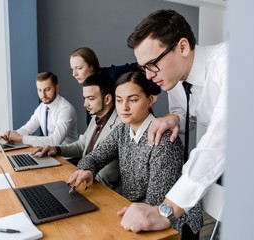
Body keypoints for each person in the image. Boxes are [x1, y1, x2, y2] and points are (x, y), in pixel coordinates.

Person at [117, 9, 228, 238]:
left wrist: (165, 210)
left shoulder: (229, 63)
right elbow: (187, 115)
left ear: (183, 47)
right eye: (143, 68)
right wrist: (174, 118)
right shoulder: (175, 79)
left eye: (152, 64)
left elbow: (222, 139)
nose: (148, 76)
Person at [68, 71, 202, 238]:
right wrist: (88, 169)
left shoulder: (164, 140)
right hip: (137, 211)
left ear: (150, 100)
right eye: (119, 100)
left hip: (173, 226)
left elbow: (155, 204)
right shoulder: (123, 129)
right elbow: (95, 157)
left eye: (133, 100)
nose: (124, 107)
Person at [33, 73, 122, 192]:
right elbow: (82, 145)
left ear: (107, 99)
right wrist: (57, 149)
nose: (85, 104)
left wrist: (77, 182)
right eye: (85, 98)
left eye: (91, 99)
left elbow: (107, 175)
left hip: (102, 188)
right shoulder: (96, 116)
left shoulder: (120, 125)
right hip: (84, 178)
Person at [70, 47, 161, 124]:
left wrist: (154, 91)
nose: (74, 74)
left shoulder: (112, 73)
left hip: (137, 121)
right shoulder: (88, 87)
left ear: (91, 66)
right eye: (72, 69)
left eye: (79, 68)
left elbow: (140, 65)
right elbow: (91, 122)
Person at [1, 71, 78, 146]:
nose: (43, 95)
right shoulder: (42, 107)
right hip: (49, 153)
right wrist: (11, 136)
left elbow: (55, 141)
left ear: (57, 88)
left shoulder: (66, 109)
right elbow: (27, 129)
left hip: (67, 157)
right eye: (40, 90)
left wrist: (21, 138)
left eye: (47, 89)